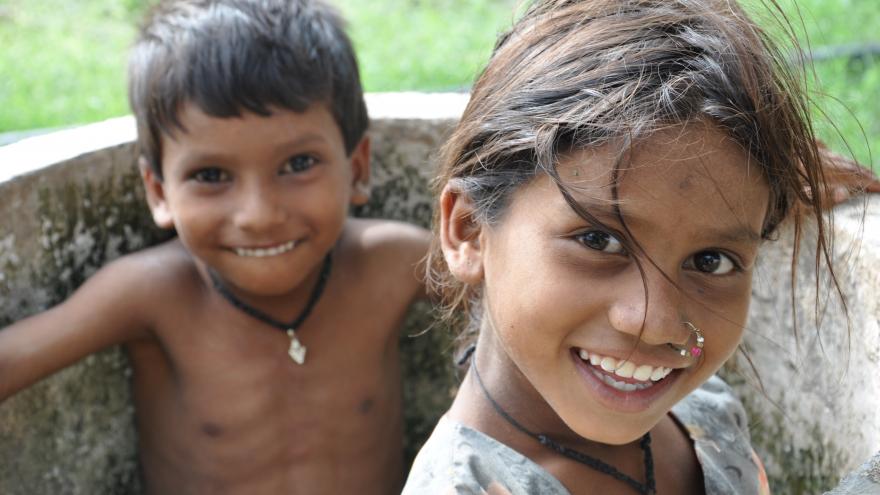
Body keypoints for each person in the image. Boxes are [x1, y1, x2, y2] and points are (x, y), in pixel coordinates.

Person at [402, 0, 877, 493]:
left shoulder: (703, 414)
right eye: (598, 240)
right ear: (469, 230)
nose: (655, 324)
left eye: (710, 260)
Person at [0, 0, 428, 493]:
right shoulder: (152, 294)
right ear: (159, 192)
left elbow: (501, 295)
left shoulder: (392, 265)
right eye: (210, 175)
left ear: (357, 169)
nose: (258, 215)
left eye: (297, 164)